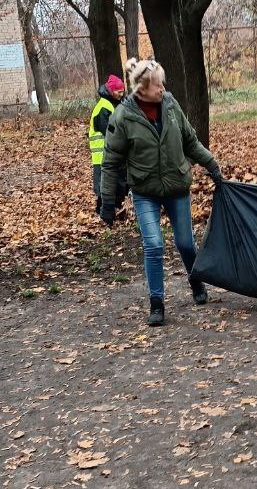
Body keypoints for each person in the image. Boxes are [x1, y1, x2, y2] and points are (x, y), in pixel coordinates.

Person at [100, 57, 223, 327]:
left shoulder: (170, 105)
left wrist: (212, 165)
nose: (163, 88)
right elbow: (110, 162)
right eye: (158, 85)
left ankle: (196, 280)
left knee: (185, 243)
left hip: (176, 186)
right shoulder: (123, 116)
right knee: (154, 244)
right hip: (145, 191)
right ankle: (157, 303)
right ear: (142, 89)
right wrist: (108, 201)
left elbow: (190, 140)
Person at [89, 75, 127, 215]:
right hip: (102, 155)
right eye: (118, 91)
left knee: (115, 182)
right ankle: (103, 211)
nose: (121, 94)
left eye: (122, 91)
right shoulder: (103, 108)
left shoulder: (111, 104)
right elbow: (109, 132)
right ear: (111, 91)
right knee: (104, 185)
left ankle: (114, 209)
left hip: (110, 153)